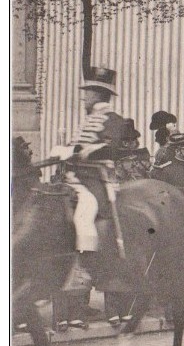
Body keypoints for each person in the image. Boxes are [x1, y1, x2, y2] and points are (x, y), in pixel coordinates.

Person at [48, 67, 129, 288]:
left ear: (98, 94)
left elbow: (109, 147)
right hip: (76, 176)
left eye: (89, 93)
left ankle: (84, 266)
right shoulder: (90, 119)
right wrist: (62, 151)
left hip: (96, 178)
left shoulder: (113, 119)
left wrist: (79, 152)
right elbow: (78, 146)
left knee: (84, 215)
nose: (85, 97)